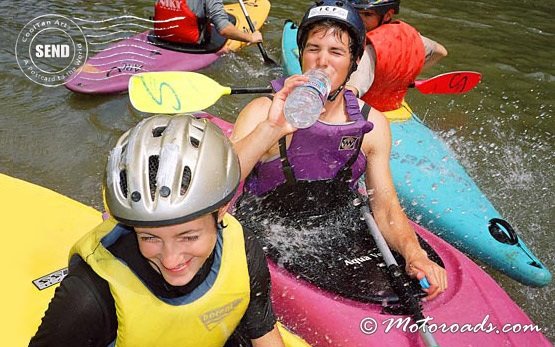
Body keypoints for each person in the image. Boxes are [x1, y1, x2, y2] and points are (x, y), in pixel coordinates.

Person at [231, 0, 447, 301]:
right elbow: (219, 185)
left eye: (336, 52)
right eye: (313, 49)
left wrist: (414, 254)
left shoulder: (371, 123)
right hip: (267, 227)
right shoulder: (263, 111)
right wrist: (273, 128)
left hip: (332, 226)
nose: (322, 61)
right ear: (302, 56)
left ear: (354, 61)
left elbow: (383, 205)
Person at [30, 115, 285, 347]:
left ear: (221, 211)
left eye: (189, 236)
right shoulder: (88, 297)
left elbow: (262, 333)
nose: (171, 259)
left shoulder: (243, 249)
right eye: (149, 237)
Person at [346, 0, 448, 111]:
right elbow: (441, 52)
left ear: (388, 15)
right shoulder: (411, 37)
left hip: (370, 114)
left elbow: (349, 93)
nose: (359, 20)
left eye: (367, 14)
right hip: (398, 110)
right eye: (355, 12)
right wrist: (408, 77)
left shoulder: (367, 51)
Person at [153, 0, 262, 45]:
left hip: (160, 38)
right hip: (193, 45)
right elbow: (224, 30)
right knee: (226, 48)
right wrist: (251, 38)